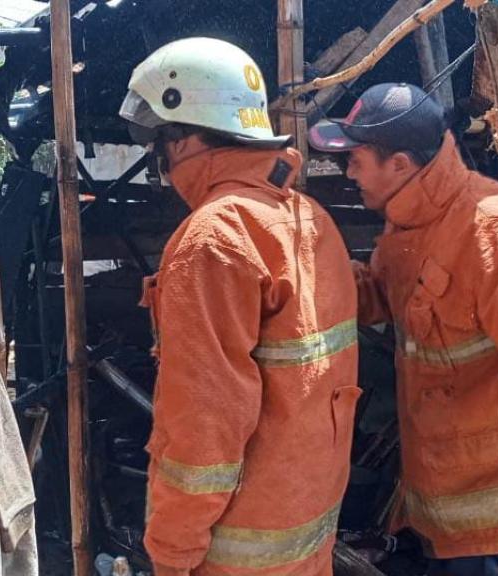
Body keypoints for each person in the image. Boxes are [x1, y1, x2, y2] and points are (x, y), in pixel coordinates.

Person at [309, 83, 498, 576]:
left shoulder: (495, 230)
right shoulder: (408, 227)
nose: (348, 171)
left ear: (400, 165)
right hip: (438, 515)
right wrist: (303, 274)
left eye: (356, 158)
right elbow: (386, 297)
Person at [119, 37, 360, 575]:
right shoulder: (307, 217)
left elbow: (204, 423)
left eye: (161, 143)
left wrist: (173, 550)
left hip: (234, 553)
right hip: (304, 530)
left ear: (180, 139)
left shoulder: (213, 238)